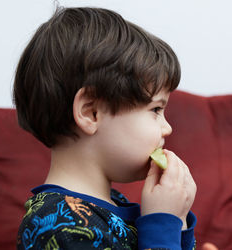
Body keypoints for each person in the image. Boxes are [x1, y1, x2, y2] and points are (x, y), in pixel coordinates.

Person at [14, 6, 197, 250]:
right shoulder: (59, 228)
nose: (167, 128)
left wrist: (178, 222)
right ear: (91, 112)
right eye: (155, 110)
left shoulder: (112, 205)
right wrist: (161, 224)